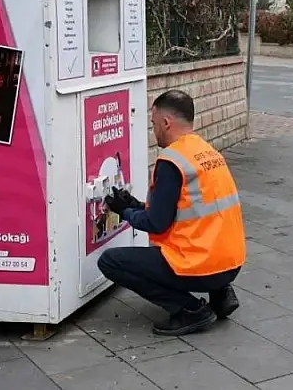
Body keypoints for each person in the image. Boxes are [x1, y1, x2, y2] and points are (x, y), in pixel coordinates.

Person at [98, 90, 246, 336]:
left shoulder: (171, 161)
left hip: (200, 265)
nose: (153, 130)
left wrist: (124, 211)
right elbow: (185, 212)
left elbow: (157, 223)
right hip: (231, 263)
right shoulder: (207, 152)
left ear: (166, 123)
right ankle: (221, 294)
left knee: (110, 261)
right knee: (197, 237)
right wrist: (135, 204)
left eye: (154, 124)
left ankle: (190, 310)